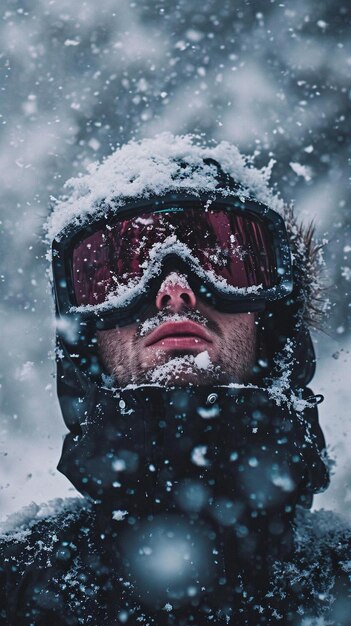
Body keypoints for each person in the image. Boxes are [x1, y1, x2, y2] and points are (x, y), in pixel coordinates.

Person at [0, 134, 350, 626]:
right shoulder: (16, 584)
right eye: (120, 271)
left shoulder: (341, 578)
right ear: (86, 341)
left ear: (270, 324)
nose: (174, 290)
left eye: (223, 260)